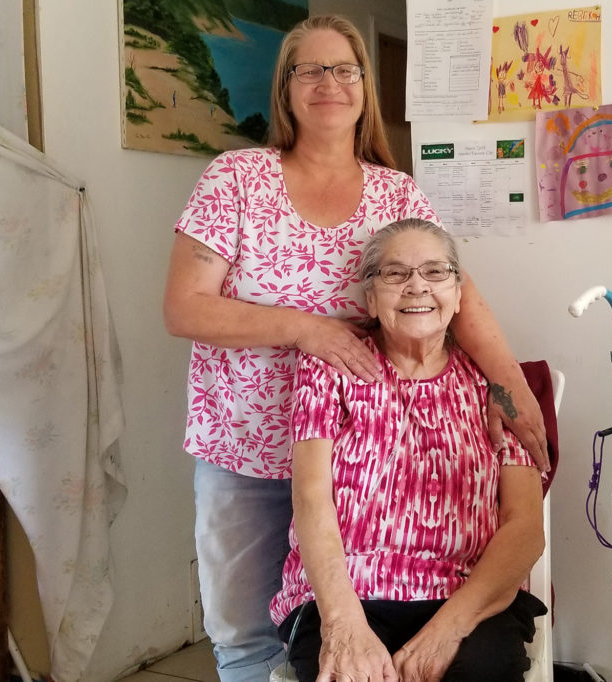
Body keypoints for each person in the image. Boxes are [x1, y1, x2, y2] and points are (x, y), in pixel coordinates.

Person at [162, 14, 550, 681]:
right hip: (248, 446)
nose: (328, 83)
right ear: (285, 88)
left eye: (344, 69)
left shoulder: (395, 192)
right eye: (308, 69)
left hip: (364, 453)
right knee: (249, 635)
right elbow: (183, 307)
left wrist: (508, 391)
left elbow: (459, 295)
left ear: (365, 88)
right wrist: (309, 328)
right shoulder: (236, 178)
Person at [270, 219, 547, 682]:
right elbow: (311, 499)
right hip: (345, 595)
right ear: (371, 300)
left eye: (436, 272)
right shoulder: (329, 370)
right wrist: (343, 624)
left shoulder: (497, 388)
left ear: (460, 295)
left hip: (465, 596)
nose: (417, 284)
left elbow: (525, 527)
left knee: (482, 671)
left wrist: (448, 629)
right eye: (395, 274)